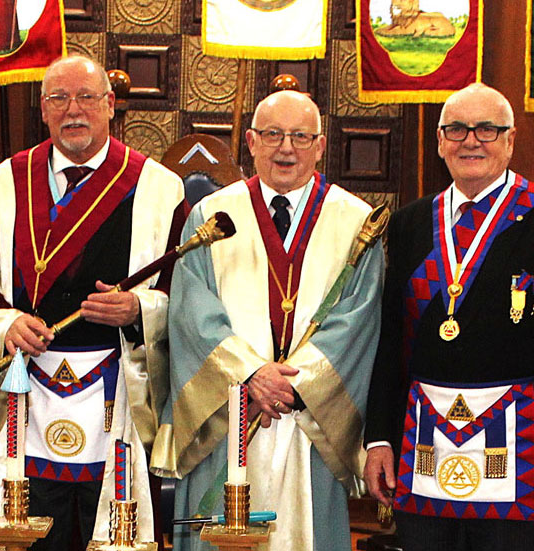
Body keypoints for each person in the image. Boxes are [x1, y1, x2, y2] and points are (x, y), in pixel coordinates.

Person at [0, 55, 185, 550]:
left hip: (120, 388)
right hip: (22, 390)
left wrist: (139, 310)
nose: (73, 110)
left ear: (110, 105)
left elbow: (182, 291)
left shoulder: (158, 188)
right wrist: (5, 323)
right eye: (59, 99)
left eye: (86, 97)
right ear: (43, 109)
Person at [363, 83, 534, 551]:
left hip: (520, 451)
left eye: (487, 129)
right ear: (439, 141)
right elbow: (391, 340)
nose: (471, 141)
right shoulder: (412, 220)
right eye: (457, 129)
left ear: (510, 140)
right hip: (424, 446)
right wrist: (379, 440)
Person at [159, 90, 383, 551]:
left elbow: (359, 317)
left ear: (321, 146)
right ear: (251, 142)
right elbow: (191, 312)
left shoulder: (357, 222)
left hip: (310, 419)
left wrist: (296, 384)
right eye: (273, 135)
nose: (286, 148)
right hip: (231, 415)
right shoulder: (210, 216)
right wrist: (251, 375)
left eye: (300, 136)